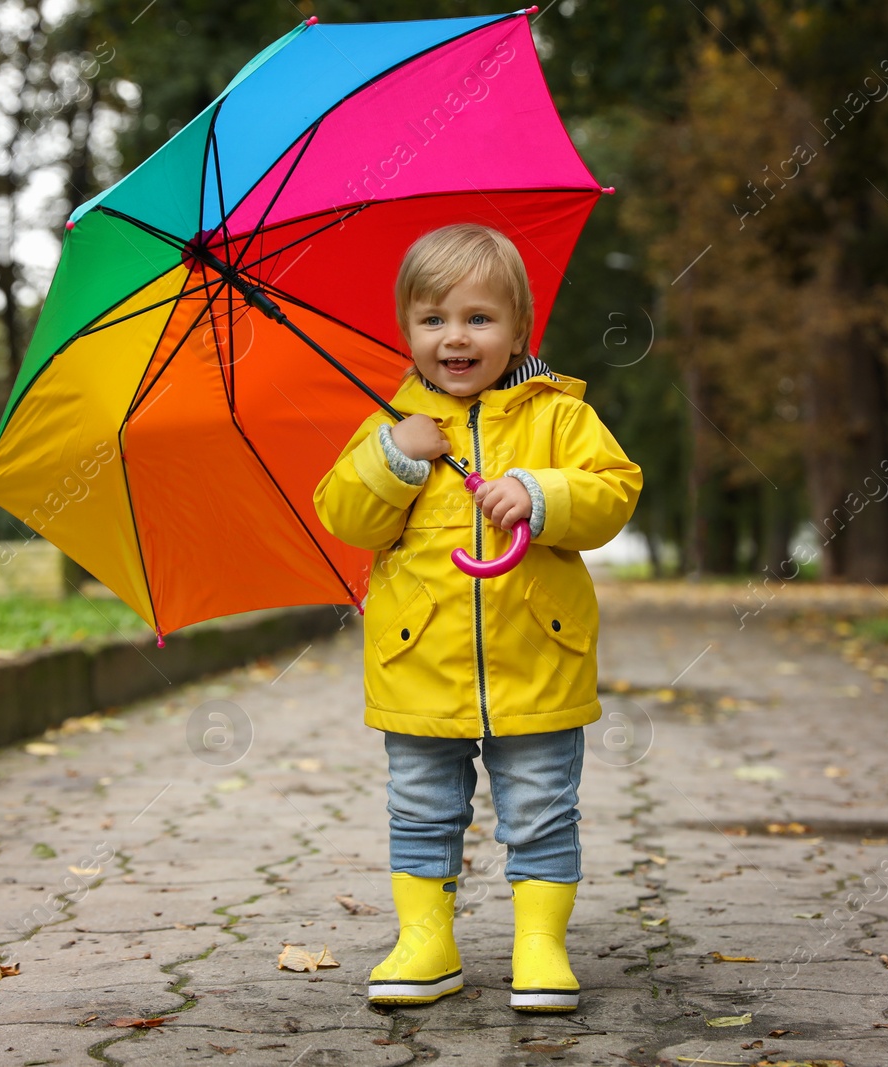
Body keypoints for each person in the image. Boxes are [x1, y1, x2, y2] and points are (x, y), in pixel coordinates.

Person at [311, 223, 642, 1013]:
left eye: (478, 319)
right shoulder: (390, 423)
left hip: (539, 653)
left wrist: (540, 492)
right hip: (420, 662)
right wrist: (394, 457)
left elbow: (613, 493)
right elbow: (344, 514)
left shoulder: (559, 415)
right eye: (432, 320)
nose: (454, 337)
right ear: (408, 329)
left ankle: (540, 944)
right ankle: (428, 939)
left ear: (519, 328)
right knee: (421, 806)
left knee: (540, 806)